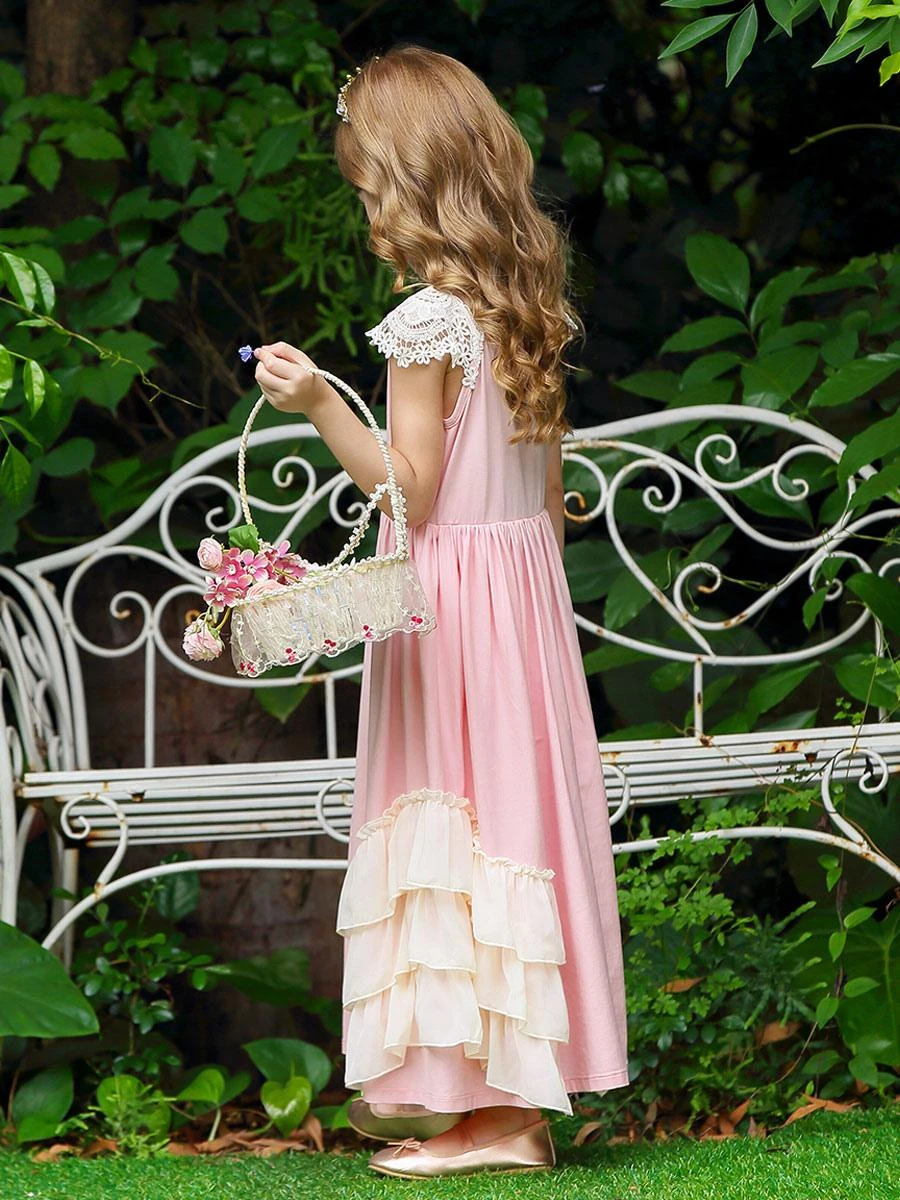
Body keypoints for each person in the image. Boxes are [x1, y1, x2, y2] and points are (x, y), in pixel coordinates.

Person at [251, 44, 630, 1180]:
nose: (364, 201)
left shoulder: (427, 323)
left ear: (405, 177)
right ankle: (504, 1106)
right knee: (512, 827)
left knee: (450, 830)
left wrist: (319, 400)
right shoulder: (524, 305)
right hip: (522, 600)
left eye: (366, 180)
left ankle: (496, 1118)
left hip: (453, 612)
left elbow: (407, 492)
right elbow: (545, 498)